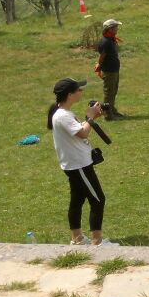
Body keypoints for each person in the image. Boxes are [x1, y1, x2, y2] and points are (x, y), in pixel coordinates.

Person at [48, 77, 113, 246]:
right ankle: (97, 243)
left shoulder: (64, 114)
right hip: (79, 165)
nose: (81, 92)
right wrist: (90, 118)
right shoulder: (63, 116)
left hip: (76, 164)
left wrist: (91, 119)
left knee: (77, 200)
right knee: (98, 199)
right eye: (78, 90)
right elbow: (83, 134)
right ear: (70, 95)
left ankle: (77, 239)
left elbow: (79, 131)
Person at [95, 19, 124, 120]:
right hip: (109, 71)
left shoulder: (111, 39)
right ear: (110, 29)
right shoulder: (105, 42)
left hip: (114, 70)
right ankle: (107, 114)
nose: (117, 28)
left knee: (113, 91)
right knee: (108, 93)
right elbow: (102, 56)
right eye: (115, 27)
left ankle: (112, 110)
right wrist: (99, 65)